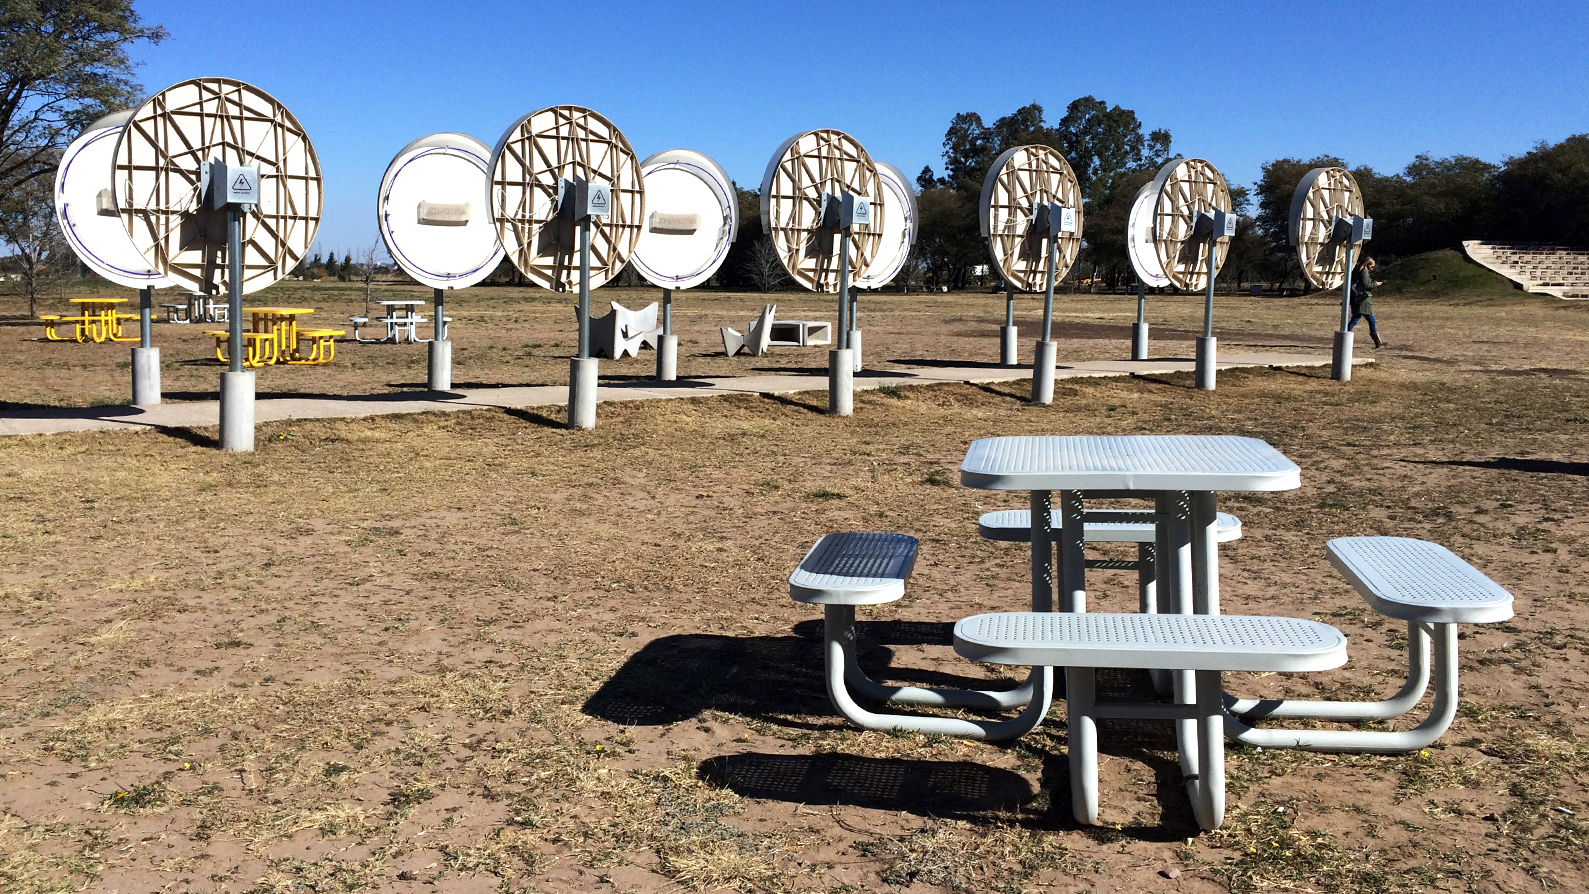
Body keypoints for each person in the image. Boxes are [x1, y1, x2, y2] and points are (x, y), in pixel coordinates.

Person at [1348, 256, 1385, 348]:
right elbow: (1367, 285)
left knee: (1356, 319)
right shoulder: (1364, 271)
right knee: (1369, 319)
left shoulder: (1357, 270)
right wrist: (1377, 284)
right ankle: (1377, 341)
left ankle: (1345, 335)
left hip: (1358, 298)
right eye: (1371, 267)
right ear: (1367, 264)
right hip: (1363, 300)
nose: (1372, 269)